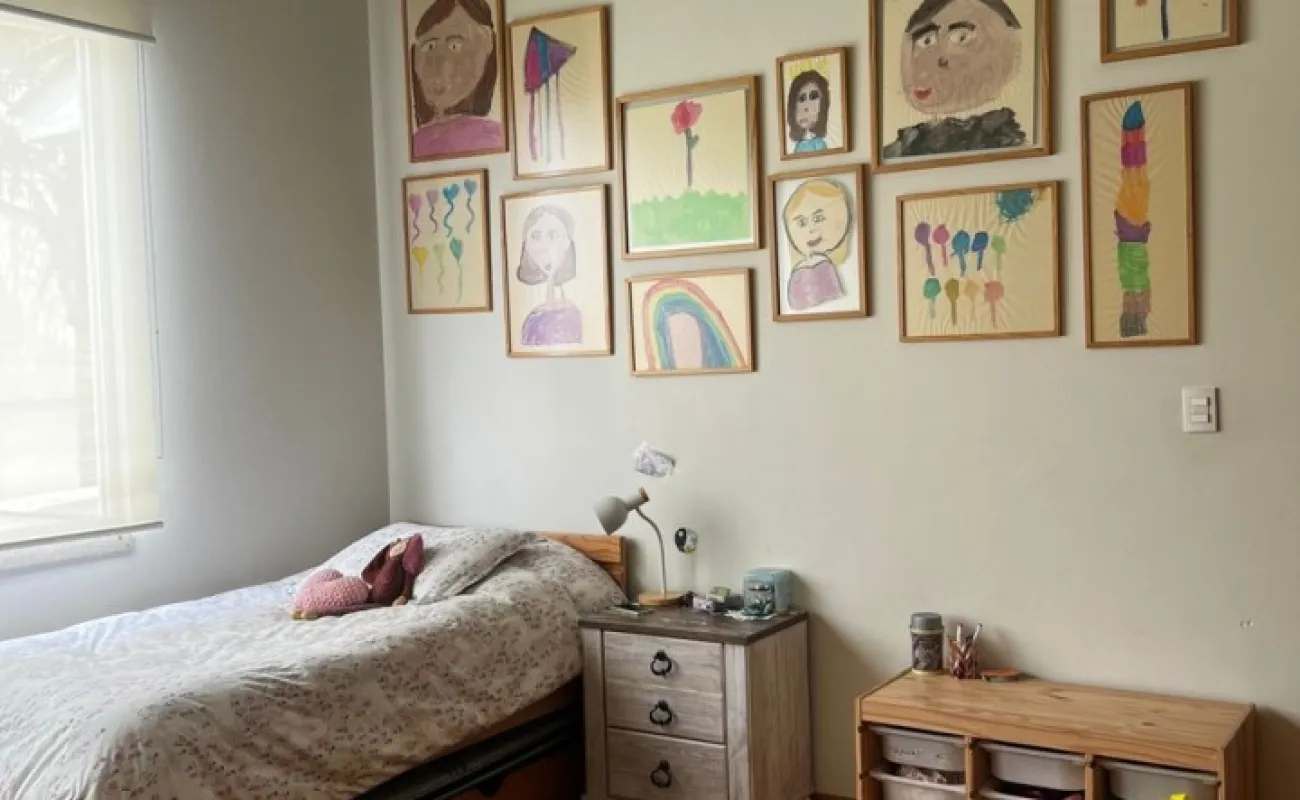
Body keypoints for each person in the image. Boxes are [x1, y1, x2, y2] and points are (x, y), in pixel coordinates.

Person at [884, 0, 1027, 158]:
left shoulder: (1009, 138)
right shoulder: (902, 147)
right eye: (927, 41)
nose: (939, 59)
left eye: (961, 37)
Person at [409, 0, 504, 159]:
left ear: (487, 47)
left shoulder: (493, 138)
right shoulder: (413, 144)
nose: (439, 61)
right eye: (430, 46)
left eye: (455, 46)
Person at [782, 179, 853, 312]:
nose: (811, 229)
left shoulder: (824, 265)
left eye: (818, 219)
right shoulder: (809, 269)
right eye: (802, 223)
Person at [516, 205, 581, 346]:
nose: (543, 247)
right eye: (536, 237)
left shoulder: (573, 315)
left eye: (553, 236)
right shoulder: (533, 318)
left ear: (568, 243)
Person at [786, 70, 831, 154]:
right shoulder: (797, 146)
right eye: (801, 99)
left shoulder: (819, 144)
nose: (806, 107)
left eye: (813, 97)